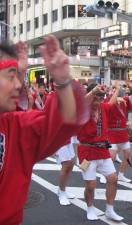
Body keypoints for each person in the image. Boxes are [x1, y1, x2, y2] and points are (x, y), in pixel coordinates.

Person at [0, 35, 89, 225]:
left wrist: (63, 82)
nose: (18, 85)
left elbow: (60, 122)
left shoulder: (13, 128)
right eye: (11, 75)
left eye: (19, 76)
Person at [77, 83, 124, 221]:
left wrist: (117, 90)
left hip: (103, 150)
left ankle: (110, 210)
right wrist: (93, 91)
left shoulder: (104, 108)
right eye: (95, 97)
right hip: (86, 152)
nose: (98, 101)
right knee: (90, 185)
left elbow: (112, 101)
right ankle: (90, 208)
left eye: (101, 97)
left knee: (113, 179)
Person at [108, 79, 132, 183]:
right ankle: (105, 175)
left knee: (127, 154)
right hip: (111, 132)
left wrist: (131, 86)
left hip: (122, 132)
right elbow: (111, 103)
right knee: (111, 156)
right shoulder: (109, 104)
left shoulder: (125, 102)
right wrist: (117, 92)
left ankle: (121, 174)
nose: (122, 100)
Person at [55, 139, 76, 206]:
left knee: (71, 164)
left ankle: (61, 189)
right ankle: (62, 193)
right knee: (66, 165)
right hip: (59, 140)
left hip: (68, 138)